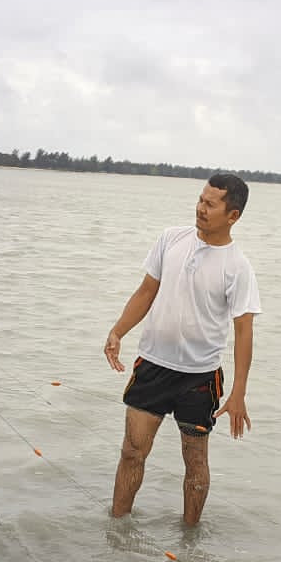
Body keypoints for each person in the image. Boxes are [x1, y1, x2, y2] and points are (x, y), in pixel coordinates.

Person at [103, 174, 261, 525]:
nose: (200, 208)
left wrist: (238, 392)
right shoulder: (171, 238)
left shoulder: (237, 266)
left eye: (210, 204)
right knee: (132, 452)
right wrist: (118, 331)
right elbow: (146, 290)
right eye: (200, 199)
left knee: (195, 461)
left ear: (232, 215)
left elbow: (244, 331)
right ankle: (116, 529)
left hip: (200, 378)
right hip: (153, 366)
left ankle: (190, 538)